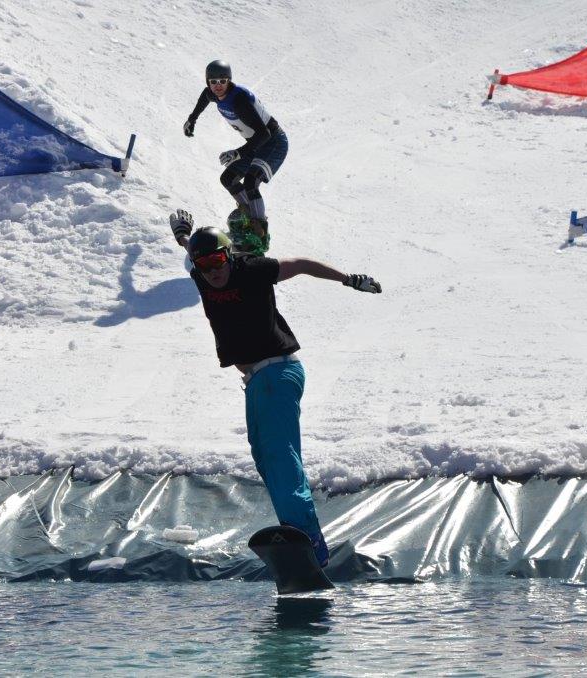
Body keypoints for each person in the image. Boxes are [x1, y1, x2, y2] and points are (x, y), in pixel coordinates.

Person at [168, 208, 382, 567]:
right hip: (256, 382)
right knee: (265, 459)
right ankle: (297, 535)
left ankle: (309, 539)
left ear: (228, 255)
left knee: (281, 458)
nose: (213, 271)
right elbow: (192, 250)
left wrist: (349, 279)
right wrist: (182, 235)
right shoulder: (202, 275)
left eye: (218, 260)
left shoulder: (251, 269)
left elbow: (300, 265)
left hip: (278, 372)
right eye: (204, 265)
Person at [182, 60, 287, 254]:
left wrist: (238, 153)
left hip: (273, 143)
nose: (218, 86)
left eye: (223, 81)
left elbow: (264, 134)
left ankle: (260, 233)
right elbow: (205, 97)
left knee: (251, 181)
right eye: (213, 82)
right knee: (228, 179)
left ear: (229, 80)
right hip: (255, 143)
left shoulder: (239, 101)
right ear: (208, 82)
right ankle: (248, 217)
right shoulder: (212, 93)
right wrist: (192, 119)